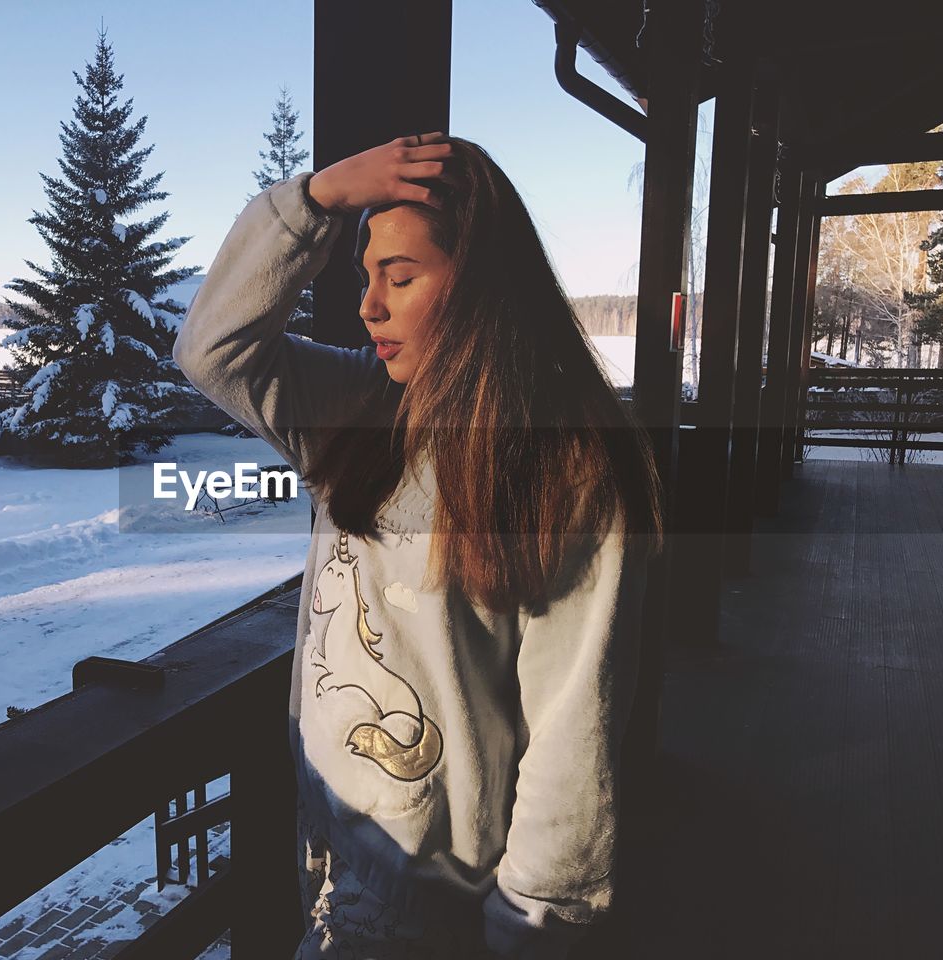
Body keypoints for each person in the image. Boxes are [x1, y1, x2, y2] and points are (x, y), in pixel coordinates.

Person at [172, 132, 664, 958]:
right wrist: (318, 198)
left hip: (435, 906)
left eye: (399, 278)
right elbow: (212, 349)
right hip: (325, 849)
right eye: (368, 277)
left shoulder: (566, 467)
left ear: (481, 288)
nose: (369, 305)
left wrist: (532, 929)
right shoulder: (357, 411)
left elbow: (574, 738)